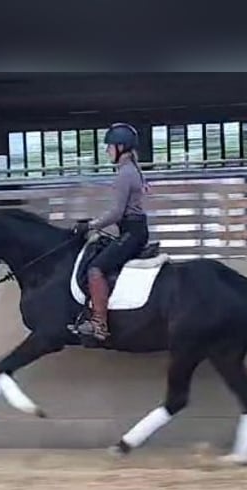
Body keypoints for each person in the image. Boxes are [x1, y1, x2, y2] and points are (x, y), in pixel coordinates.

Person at [72, 123, 150, 341]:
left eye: (109, 146)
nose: (106, 151)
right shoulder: (131, 169)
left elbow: (116, 213)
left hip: (131, 232)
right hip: (132, 229)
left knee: (96, 268)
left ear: (121, 147)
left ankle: (99, 323)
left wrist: (90, 225)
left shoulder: (125, 174)